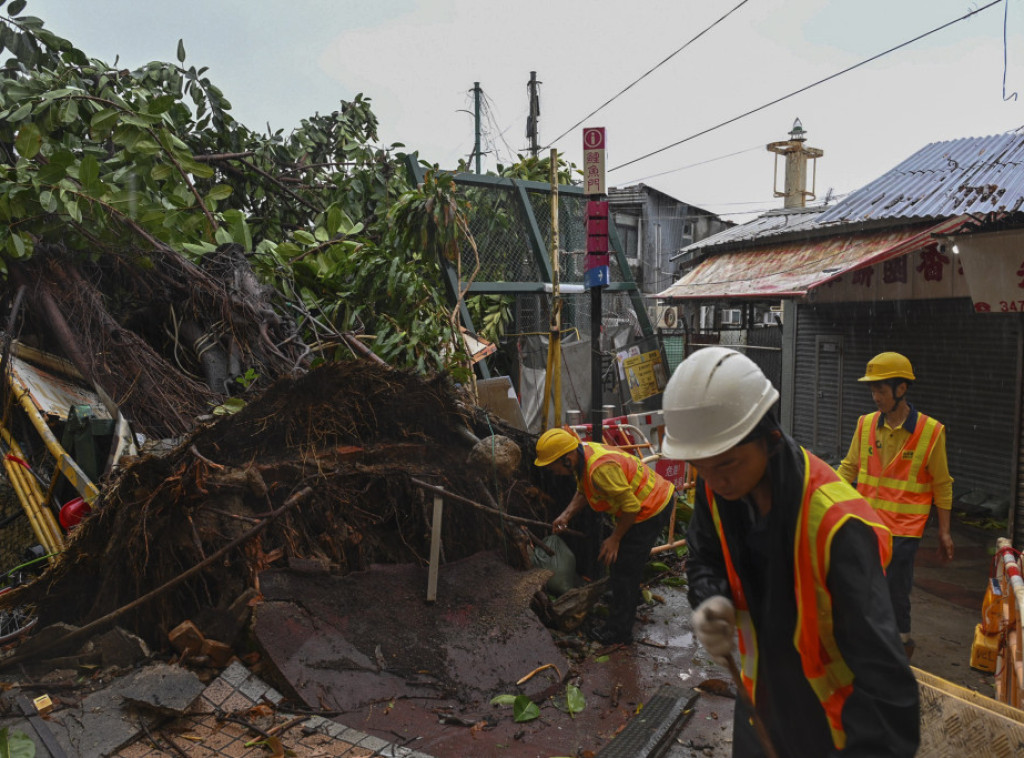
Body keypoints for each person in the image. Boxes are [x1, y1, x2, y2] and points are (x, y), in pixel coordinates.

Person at [663, 347, 919, 758]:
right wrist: (710, 597)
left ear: (771, 440)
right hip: (758, 712)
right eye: (701, 466)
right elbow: (703, 555)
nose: (714, 480)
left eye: (726, 464)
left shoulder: (838, 527)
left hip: (832, 730)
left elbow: (887, 682)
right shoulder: (716, 488)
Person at [837, 351, 954, 658]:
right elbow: (848, 468)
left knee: (893, 589)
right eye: (872, 389)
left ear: (901, 389)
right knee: (861, 583)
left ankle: (900, 646)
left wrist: (944, 531)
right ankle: (868, 643)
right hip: (866, 524)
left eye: (881, 389)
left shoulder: (931, 432)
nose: (875, 396)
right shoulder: (864, 425)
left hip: (904, 531)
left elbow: (942, 483)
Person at [534, 427, 674, 645]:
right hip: (645, 503)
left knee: (624, 567)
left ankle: (618, 632)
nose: (554, 472)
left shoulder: (600, 469)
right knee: (623, 564)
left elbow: (631, 506)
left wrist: (615, 539)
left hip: (650, 507)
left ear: (568, 458)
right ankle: (629, 597)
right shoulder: (583, 455)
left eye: (554, 467)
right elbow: (584, 489)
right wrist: (566, 515)